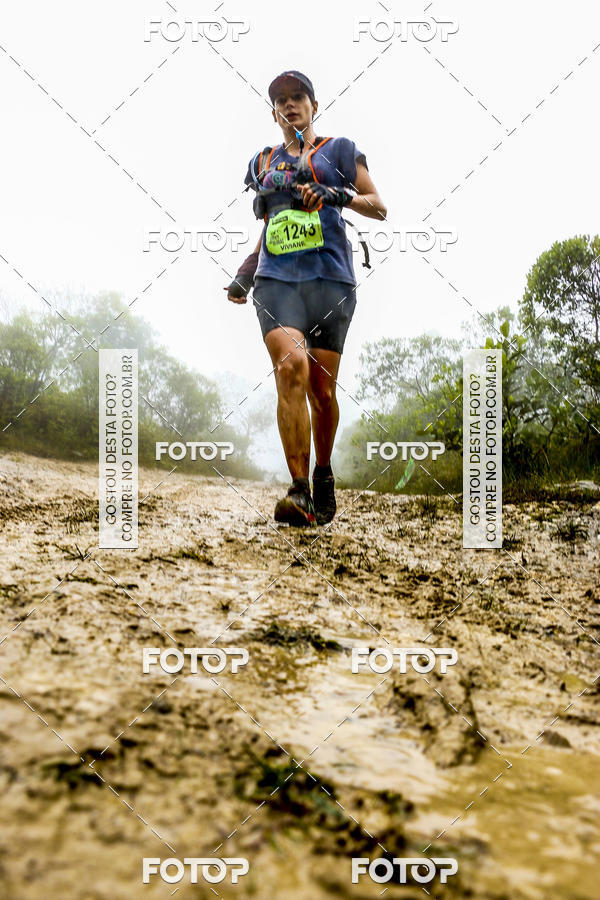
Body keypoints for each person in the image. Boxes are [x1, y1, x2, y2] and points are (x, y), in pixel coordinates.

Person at [225, 70, 386, 526]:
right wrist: (247, 270)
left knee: (322, 390)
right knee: (290, 367)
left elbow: (379, 205)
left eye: (298, 97)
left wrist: (337, 196)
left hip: (330, 282)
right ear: (273, 111)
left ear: (314, 105)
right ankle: (298, 493)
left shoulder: (339, 150)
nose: (290, 105)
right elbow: (272, 223)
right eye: (281, 100)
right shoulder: (263, 161)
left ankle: (322, 472)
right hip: (277, 280)